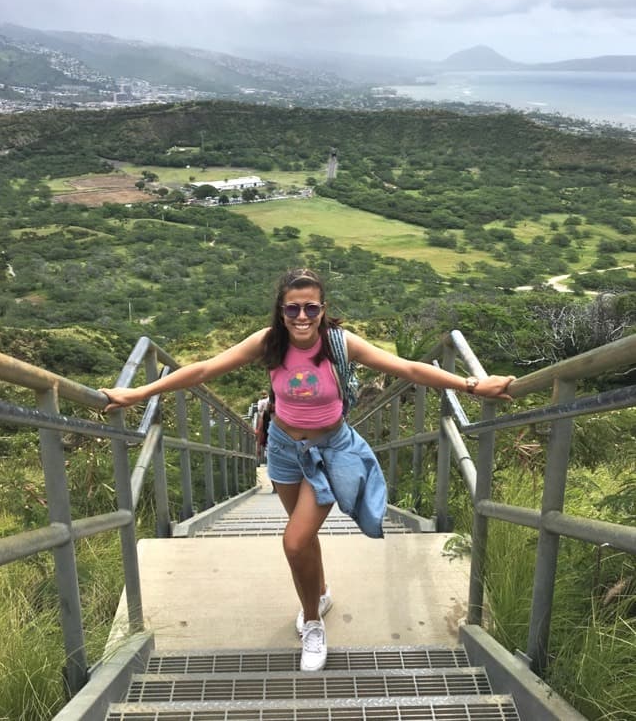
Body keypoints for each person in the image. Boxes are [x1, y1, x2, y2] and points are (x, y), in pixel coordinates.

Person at [99, 267, 515, 673]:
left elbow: (405, 368)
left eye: (310, 309)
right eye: (292, 309)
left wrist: (472, 387)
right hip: (282, 451)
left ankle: (312, 623)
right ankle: (321, 593)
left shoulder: (340, 343)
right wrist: (140, 392)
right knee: (305, 536)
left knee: (295, 541)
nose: (301, 317)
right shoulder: (269, 343)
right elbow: (205, 369)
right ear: (280, 311)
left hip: (330, 450)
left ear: (323, 309)